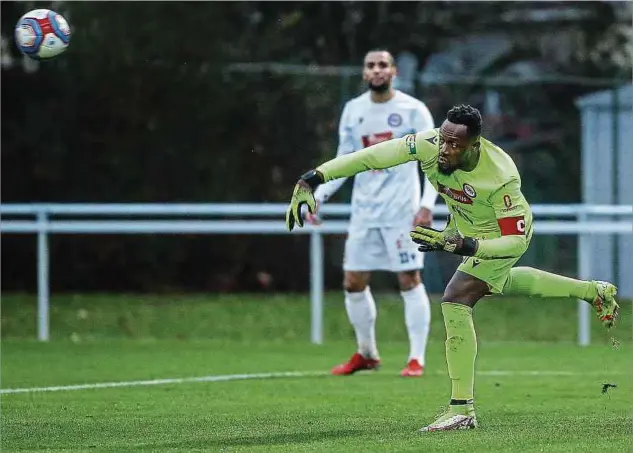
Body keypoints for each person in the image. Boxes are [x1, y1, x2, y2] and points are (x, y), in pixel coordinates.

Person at [285, 104, 620, 432]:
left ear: (475, 145)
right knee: (494, 283)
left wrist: (468, 245)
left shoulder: (501, 177)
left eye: (454, 144)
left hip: (500, 237)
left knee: (456, 297)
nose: (444, 149)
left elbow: (515, 242)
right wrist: (313, 178)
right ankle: (593, 291)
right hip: (466, 229)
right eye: (443, 140)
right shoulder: (429, 144)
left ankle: (462, 409)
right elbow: (371, 156)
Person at [305, 49, 438, 378]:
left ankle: (416, 359)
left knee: (409, 279)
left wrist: (426, 205)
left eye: (383, 65)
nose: (376, 70)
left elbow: (435, 161)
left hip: (401, 212)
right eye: (370, 65)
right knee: (353, 281)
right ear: (364, 73)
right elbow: (345, 161)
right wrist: (318, 197)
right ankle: (367, 353)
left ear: (394, 71)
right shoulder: (354, 110)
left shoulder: (413, 110)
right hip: (364, 212)